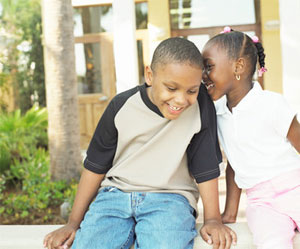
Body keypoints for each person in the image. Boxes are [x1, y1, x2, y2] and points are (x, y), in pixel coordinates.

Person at [43, 37, 236, 249]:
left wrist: (213, 220)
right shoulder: (121, 106)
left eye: (191, 90)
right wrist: (72, 223)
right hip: (114, 196)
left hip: (170, 200)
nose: (181, 100)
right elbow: (94, 167)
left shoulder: (201, 106)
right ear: (150, 75)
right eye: (171, 88)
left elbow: (205, 167)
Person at [202, 26, 300, 249]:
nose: (203, 75)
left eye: (208, 67)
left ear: (238, 67)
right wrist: (229, 214)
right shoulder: (218, 113)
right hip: (262, 203)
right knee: (271, 243)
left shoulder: (272, 104)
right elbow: (234, 165)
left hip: (296, 187)